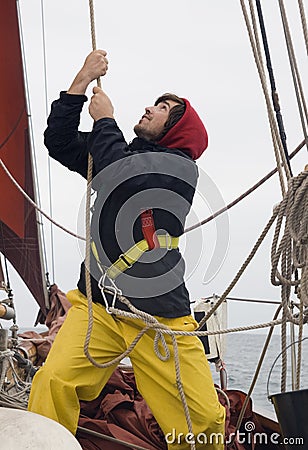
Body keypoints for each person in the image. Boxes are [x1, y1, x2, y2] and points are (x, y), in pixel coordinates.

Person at [28, 50, 225, 449]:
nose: (150, 108)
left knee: (201, 421)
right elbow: (59, 141)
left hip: (158, 317)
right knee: (53, 382)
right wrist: (81, 81)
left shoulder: (179, 168)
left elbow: (126, 180)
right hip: (99, 306)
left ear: (176, 131)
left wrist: (105, 121)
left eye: (163, 108)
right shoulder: (118, 152)